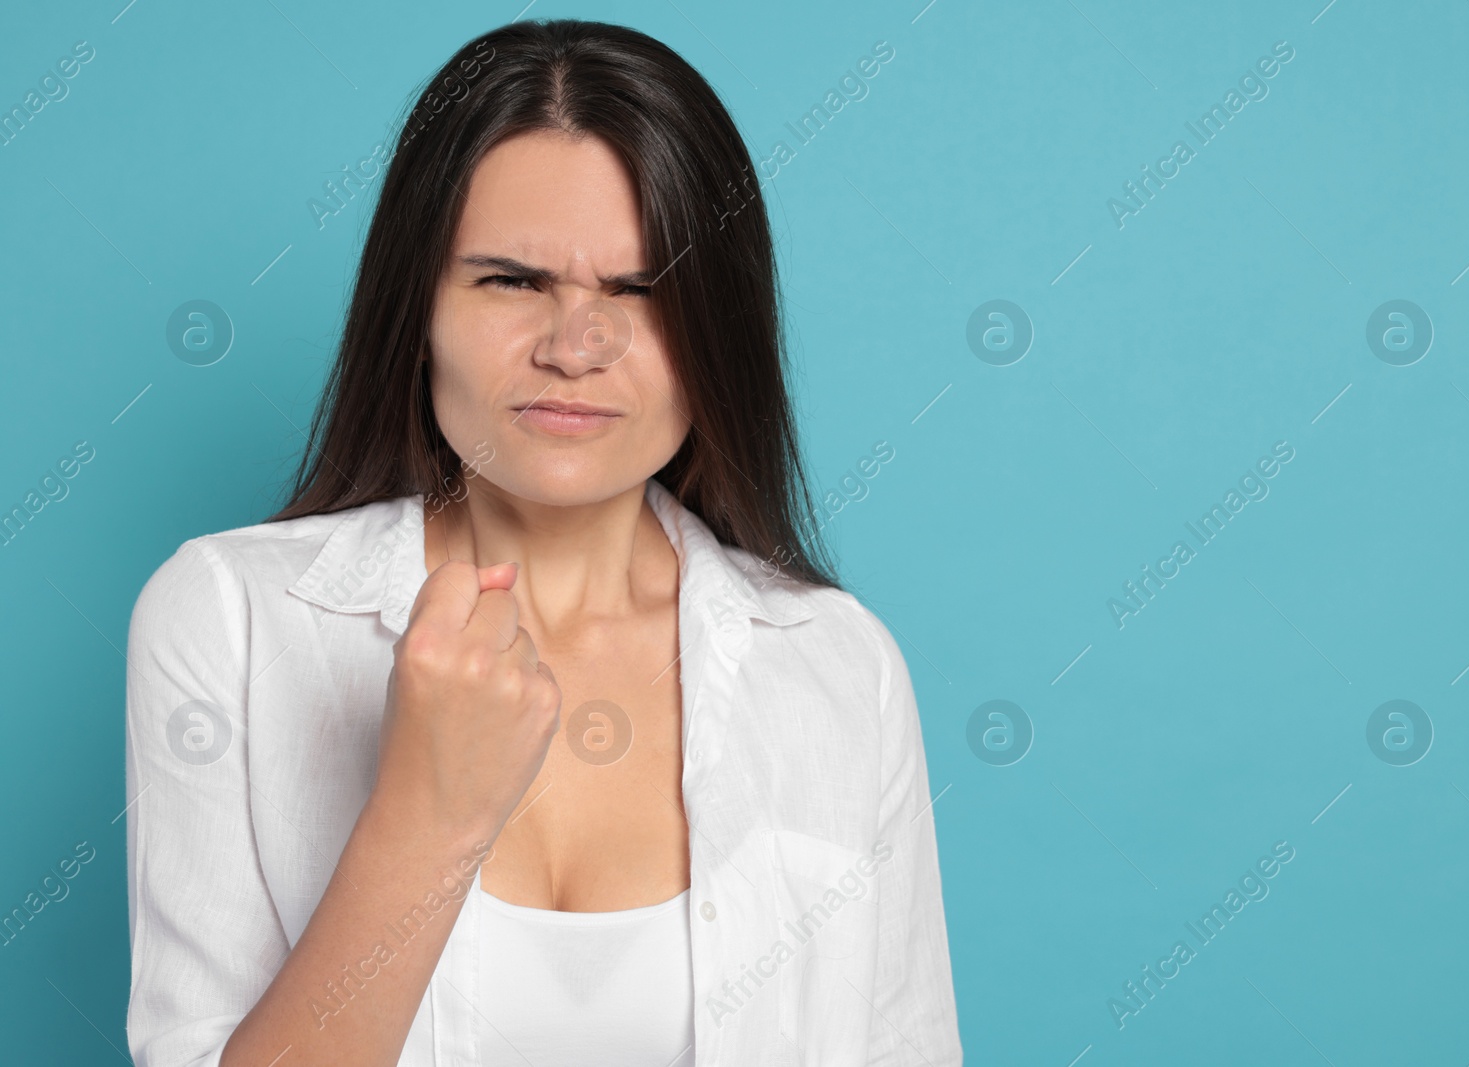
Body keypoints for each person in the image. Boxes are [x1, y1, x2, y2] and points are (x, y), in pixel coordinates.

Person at [124, 18, 959, 1067]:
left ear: (718, 328)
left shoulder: (839, 663)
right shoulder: (229, 620)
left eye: (640, 290)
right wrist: (425, 819)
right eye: (512, 281)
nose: (575, 347)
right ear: (413, 309)